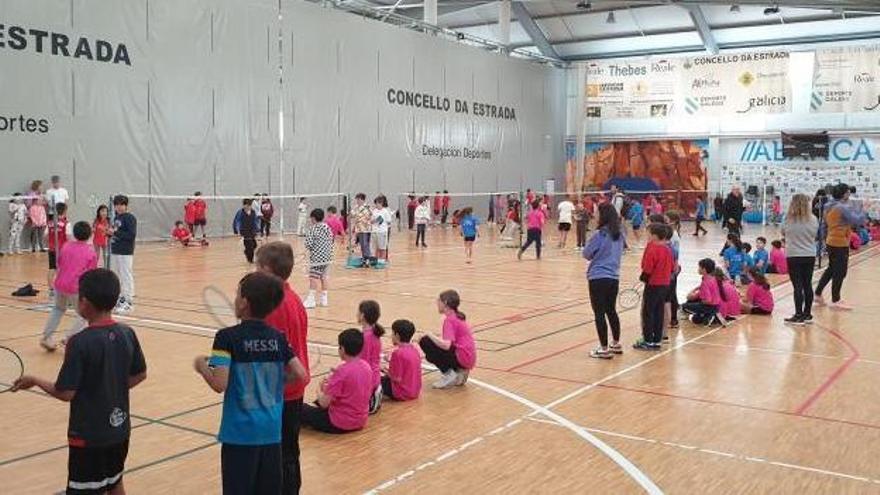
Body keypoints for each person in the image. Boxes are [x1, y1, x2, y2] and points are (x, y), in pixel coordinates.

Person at [12, 268, 147, 495]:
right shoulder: (127, 333)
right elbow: (140, 374)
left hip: (88, 436)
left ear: (84, 302)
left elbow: (65, 393)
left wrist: (34, 380)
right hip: (120, 431)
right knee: (114, 482)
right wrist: (110, 386)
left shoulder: (80, 342)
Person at [194, 272, 306, 495]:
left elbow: (219, 383)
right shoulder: (278, 337)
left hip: (240, 434)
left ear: (244, 303)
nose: (235, 299)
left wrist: (201, 367)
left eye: (237, 295)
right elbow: (300, 374)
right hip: (272, 432)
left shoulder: (226, 337)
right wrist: (273, 383)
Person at [257, 242, 310, 495]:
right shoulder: (294, 298)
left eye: (258, 266)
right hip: (293, 388)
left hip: (280, 390)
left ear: (267, 269)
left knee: (279, 454)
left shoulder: (274, 306)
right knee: (289, 451)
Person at [40, 221, 98, 350]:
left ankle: (46, 337)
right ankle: (70, 339)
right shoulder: (91, 252)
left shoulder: (66, 246)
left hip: (60, 283)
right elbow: (91, 274)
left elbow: (59, 263)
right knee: (84, 315)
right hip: (75, 287)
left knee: (58, 309)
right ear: (89, 235)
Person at [301, 328, 372, 434]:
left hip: (339, 423)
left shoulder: (342, 371)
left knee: (300, 408)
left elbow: (324, 403)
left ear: (342, 349)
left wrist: (319, 388)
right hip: (360, 420)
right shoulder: (366, 367)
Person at [583, 204, 625, 359]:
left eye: (596, 212)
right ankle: (616, 343)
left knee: (599, 313)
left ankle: (604, 348)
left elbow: (587, 254)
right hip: (613, 277)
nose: (594, 214)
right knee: (611, 310)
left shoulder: (599, 235)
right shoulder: (620, 235)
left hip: (598, 277)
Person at [419, 290, 476, 389]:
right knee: (431, 349)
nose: (437, 303)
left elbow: (446, 345)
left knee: (426, 342)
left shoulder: (449, 320)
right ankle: (460, 371)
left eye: (438, 301)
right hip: (468, 357)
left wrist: (429, 334)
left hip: (462, 356)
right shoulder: (456, 316)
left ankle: (449, 374)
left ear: (445, 303)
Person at [634, 224, 674, 350]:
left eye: (649, 233)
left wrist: (644, 278)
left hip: (653, 284)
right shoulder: (668, 249)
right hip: (665, 285)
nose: (647, 235)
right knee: (658, 312)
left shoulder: (653, 249)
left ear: (655, 235)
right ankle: (657, 340)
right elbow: (673, 267)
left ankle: (647, 340)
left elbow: (648, 268)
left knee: (648, 313)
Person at [108, 195, 137, 314]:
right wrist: (109, 233)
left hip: (125, 251)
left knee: (126, 275)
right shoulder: (116, 218)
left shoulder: (129, 218)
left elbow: (131, 235)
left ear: (126, 206)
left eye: (121, 205)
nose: (119, 207)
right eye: (116, 205)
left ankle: (129, 301)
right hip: (116, 250)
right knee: (117, 276)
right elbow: (116, 233)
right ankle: (121, 298)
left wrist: (116, 232)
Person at [381, 319, 422, 401]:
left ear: (397, 335)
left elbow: (396, 378)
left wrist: (383, 370)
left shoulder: (397, 353)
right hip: (415, 391)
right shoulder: (414, 349)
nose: (391, 336)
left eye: (392, 333)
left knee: (375, 380)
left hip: (402, 393)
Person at [303, 208, 334, 308]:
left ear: (313, 218)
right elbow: (331, 239)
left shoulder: (312, 229)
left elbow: (308, 244)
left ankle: (311, 300)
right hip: (327, 257)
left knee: (313, 277)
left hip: (317, 258)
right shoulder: (327, 227)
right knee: (324, 277)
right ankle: (324, 300)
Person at [357, 300, 384, 414]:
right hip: (374, 378)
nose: (356, 315)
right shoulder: (373, 333)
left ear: (362, 315)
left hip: (369, 382)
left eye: (358, 312)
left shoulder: (365, 337)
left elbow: (363, 364)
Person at [682, 258, 724, 325]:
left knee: (684, 306)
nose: (698, 269)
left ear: (704, 269)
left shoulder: (705, 282)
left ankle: (709, 315)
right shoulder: (714, 279)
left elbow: (707, 301)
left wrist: (701, 300)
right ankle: (708, 316)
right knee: (696, 319)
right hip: (716, 306)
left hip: (708, 307)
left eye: (699, 267)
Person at [46, 202, 72, 299]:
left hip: (52, 249)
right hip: (63, 250)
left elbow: (45, 236)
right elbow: (69, 237)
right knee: (64, 270)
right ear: (65, 211)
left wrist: (50, 243)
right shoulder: (66, 223)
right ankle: (62, 291)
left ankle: (51, 291)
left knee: (52, 269)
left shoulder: (50, 223)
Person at [232, 198, 259, 264]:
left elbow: (255, 221)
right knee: (250, 246)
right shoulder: (240, 212)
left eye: (249, 205)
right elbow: (236, 222)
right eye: (246, 205)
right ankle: (250, 260)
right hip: (244, 231)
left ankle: (246, 251)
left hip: (252, 231)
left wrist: (257, 229)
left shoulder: (253, 212)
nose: (248, 207)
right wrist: (237, 231)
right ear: (244, 205)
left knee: (254, 245)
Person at [351, 193, 372, 265]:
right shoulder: (356, 207)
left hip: (365, 229)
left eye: (358, 199)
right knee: (362, 245)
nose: (357, 201)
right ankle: (364, 258)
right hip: (358, 229)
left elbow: (367, 217)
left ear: (362, 200)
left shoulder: (367, 207)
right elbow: (352, 215)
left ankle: (367, 259)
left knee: (365, 244)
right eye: (356, 199)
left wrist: (357, 217)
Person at [371, 195, 393, 262]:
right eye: (375, 203)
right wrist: (374, 221)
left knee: (382, 248)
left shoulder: (385, 211)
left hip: (382, 232)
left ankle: (382, 262)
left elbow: (389, 221)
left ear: (381, 203)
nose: (376, 205)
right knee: (376, 248)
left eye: (377, 203)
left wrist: (380, 221)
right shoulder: (374, 211)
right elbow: (371, 221)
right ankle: (376, 261)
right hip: (375, 231)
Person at [28, 186, 48, 252]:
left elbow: (44, 215)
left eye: (41, 200)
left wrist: (43, 222)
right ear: (35, 201)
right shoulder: (32, 207)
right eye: (39, 200)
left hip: (42, 224)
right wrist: (35, 222)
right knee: (34, 236)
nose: (40, 201)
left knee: (41, 236)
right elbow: (31, 215)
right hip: (35, 224)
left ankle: (41, 247)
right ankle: (33, 247)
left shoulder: (42, 207)